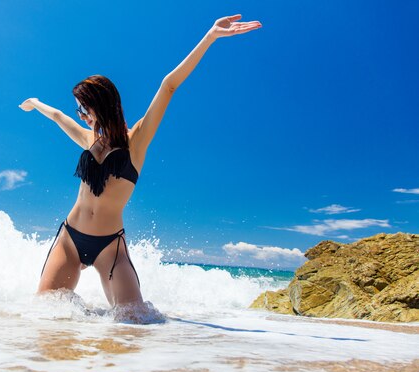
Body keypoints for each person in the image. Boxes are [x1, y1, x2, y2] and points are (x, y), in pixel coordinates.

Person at [19, 14, 261, 310]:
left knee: (134, 323)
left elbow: (169, 85)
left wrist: (209, 37)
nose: (81, 115)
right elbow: (59, 116)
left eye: (84, 108)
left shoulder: (137, 140)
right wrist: (34, 103)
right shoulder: (88, 140)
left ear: (101, 104)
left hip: (110, 246)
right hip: (70, 238)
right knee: (46, 314)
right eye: (79, 109)